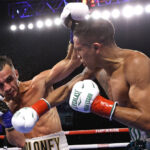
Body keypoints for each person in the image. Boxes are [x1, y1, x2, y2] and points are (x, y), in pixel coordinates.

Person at [67, 18, 150, 149]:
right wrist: (38, 109)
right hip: (138, 142)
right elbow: (65, 89)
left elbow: (148, 120)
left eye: (79, 49)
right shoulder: (98, 70)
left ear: (96, 47)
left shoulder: (136, 63)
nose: (77, 56)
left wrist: (100, 106)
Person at [0, 40, 81, 149]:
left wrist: (74, 32)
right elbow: (20, 143)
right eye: (0, 85)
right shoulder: (4, 109)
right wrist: (7, 120)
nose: (7, 88)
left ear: (16, 74)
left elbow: (73, 61)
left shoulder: (39, 84)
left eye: (9, 80)